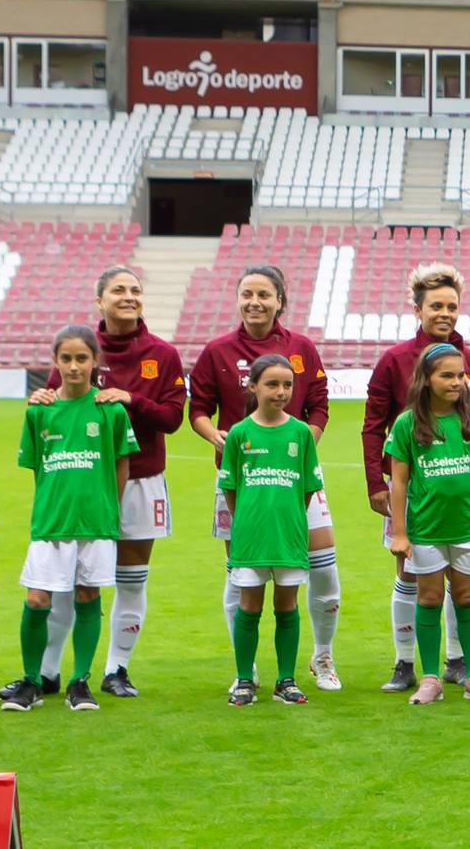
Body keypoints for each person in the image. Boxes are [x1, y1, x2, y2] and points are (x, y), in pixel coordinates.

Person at [189, 265, 347, 690]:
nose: (254, 301)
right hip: (241, 482)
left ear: (280, 300)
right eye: (246, 293)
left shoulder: (302, 347)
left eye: (264, 294)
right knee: (240, 574)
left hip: (294, 476)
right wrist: (216, 436)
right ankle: (247, 671)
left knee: (324, 569)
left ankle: (322, 656)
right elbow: (197, 410)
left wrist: (297, 447)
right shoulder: (216, 350)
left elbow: (319, 408)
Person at [364, 264, 470, 693]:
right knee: (409, 577)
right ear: (418, 309)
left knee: (461, 587)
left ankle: (458, 662)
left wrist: (468, 381)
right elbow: (373, 425)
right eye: (436, 306)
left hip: (460, 507)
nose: (445, 313)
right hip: (413, 491)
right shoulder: (394, 359)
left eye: (452, 306)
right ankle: (405, 662)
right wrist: (377, 483)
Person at [59, 266, 183, 699]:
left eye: (135, 290)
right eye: (118, 290)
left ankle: (117, 669)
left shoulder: (163, 354)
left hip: (143, 480)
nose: (128, 296)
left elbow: (172, 419)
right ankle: (56, 670)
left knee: (131, 579)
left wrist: (133, 399)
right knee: (74, 580)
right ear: (100, 300)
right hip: (86, 482)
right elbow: (60, 406)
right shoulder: (80, 350)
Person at [0, 326, 134, 714]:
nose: (74, 367)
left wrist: (112, 508)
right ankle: (31, 680)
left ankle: (79, 681)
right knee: (37, 599)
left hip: (96, 521)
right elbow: (37, 468)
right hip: (52, 521)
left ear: (95, 361)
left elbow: (122, 463)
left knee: (88, 596)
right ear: (55, 362)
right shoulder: (39, 410)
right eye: (66, 359)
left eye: (82, 358)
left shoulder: (110, 410)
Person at [216, 355, 320, 707]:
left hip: (288, 534)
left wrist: (287, 516)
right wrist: (247, 518)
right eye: (272, 384)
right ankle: (245, 679)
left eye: (287, 385)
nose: (280, 392)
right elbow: (230, 488)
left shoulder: (301, 433)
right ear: (253, 386)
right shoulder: (240, 434)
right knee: (249, 605)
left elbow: (307, 488)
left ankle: (286, 680)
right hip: (251, 536)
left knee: (287, 606)